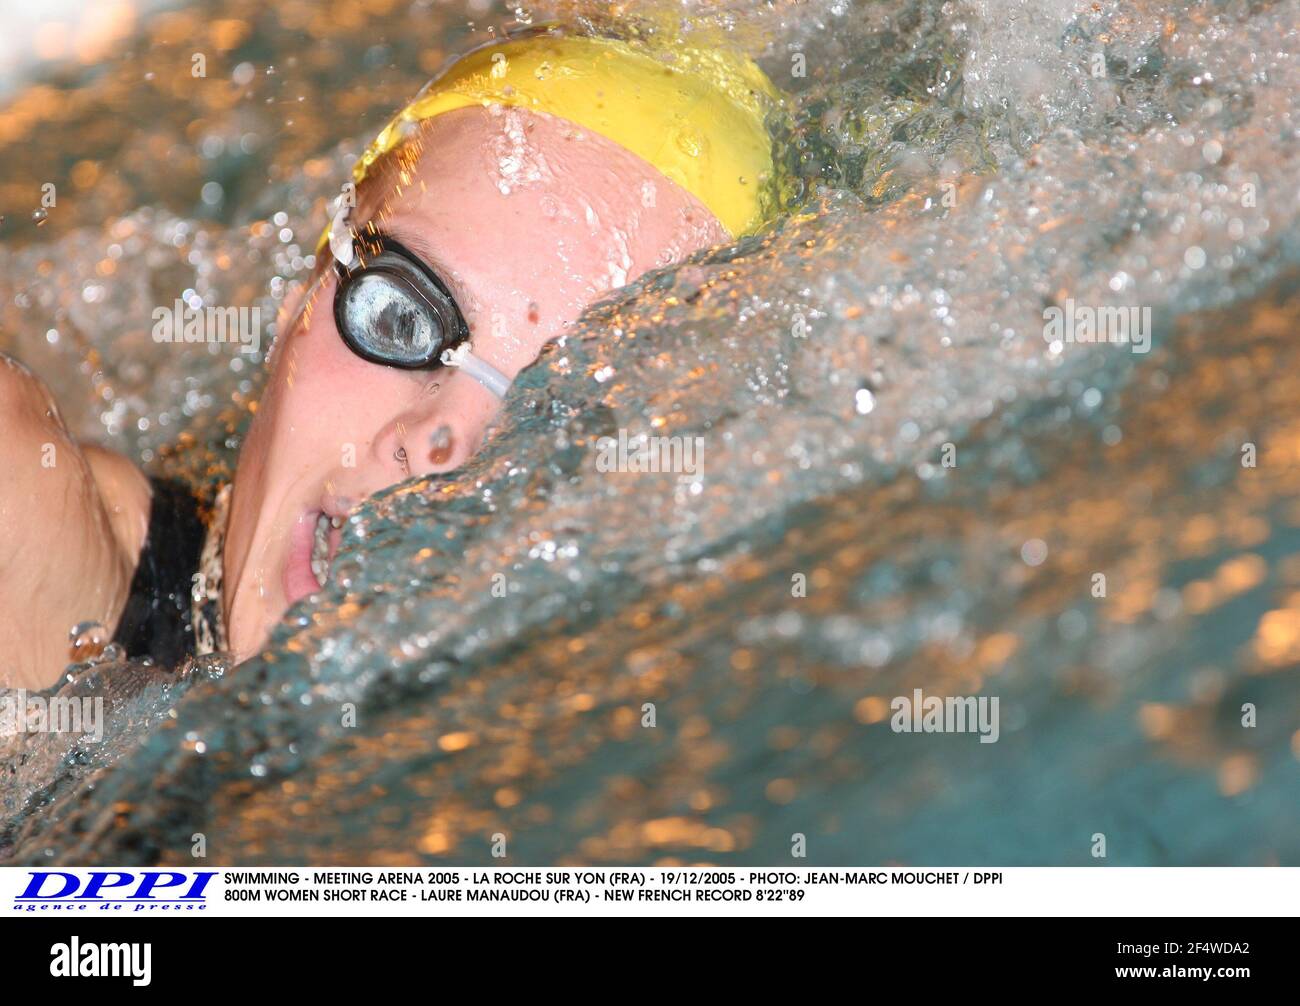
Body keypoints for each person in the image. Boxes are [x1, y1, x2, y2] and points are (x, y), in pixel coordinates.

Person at [0, 26, 784, 690]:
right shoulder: (64, 583)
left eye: (558, 407)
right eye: (404, 318)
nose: (444, 438)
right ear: (294, 308)